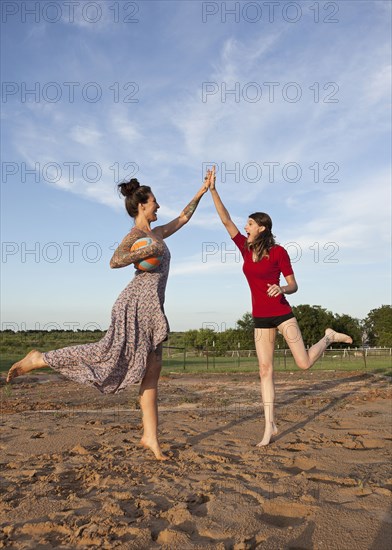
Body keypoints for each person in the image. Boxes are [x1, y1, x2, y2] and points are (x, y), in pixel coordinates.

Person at [6, 175, 211, 460]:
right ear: (141, 205)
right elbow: (115, 261)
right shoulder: (136, 237)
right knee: (106, 353)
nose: (158, 206)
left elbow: (183, 219)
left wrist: (201, 190)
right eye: (154, 202)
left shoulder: (157, 233)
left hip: (152, 307)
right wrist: (149, 250)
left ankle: (150, 437)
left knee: (152, 372)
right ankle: (40, 358)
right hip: (134, 305)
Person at [206, 166, 352, 446]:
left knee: (304, 363)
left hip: (283, 315)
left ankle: (328, 337)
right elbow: (225, 221)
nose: (245, 227)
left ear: (261, 228)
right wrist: (213, 189)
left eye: (249, 224)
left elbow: (294, 285)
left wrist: (282, 288)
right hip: (260, 318)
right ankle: (269, 425)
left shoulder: (279, 252)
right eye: (246, 224)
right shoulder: (245, 249)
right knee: (264, 371)